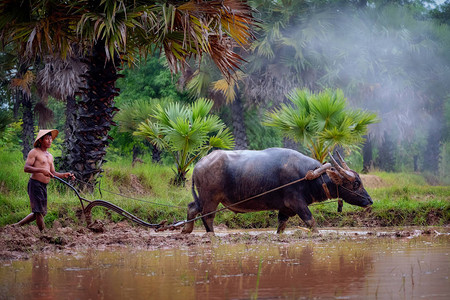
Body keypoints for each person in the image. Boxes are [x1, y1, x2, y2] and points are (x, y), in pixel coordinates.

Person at [13, 129, 74, 231]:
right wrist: (41, 170)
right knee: (39, 212)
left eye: (50, 138)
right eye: (47, 139)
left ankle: (16, 226)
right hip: (35, 184)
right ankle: (43, 234)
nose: (49, 141)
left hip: (43, 186)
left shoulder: (50, 156)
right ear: (41, 140)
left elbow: (53, 173)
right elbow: (26, 168)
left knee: (39, 212)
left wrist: (65, 175)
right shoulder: (34, 152)